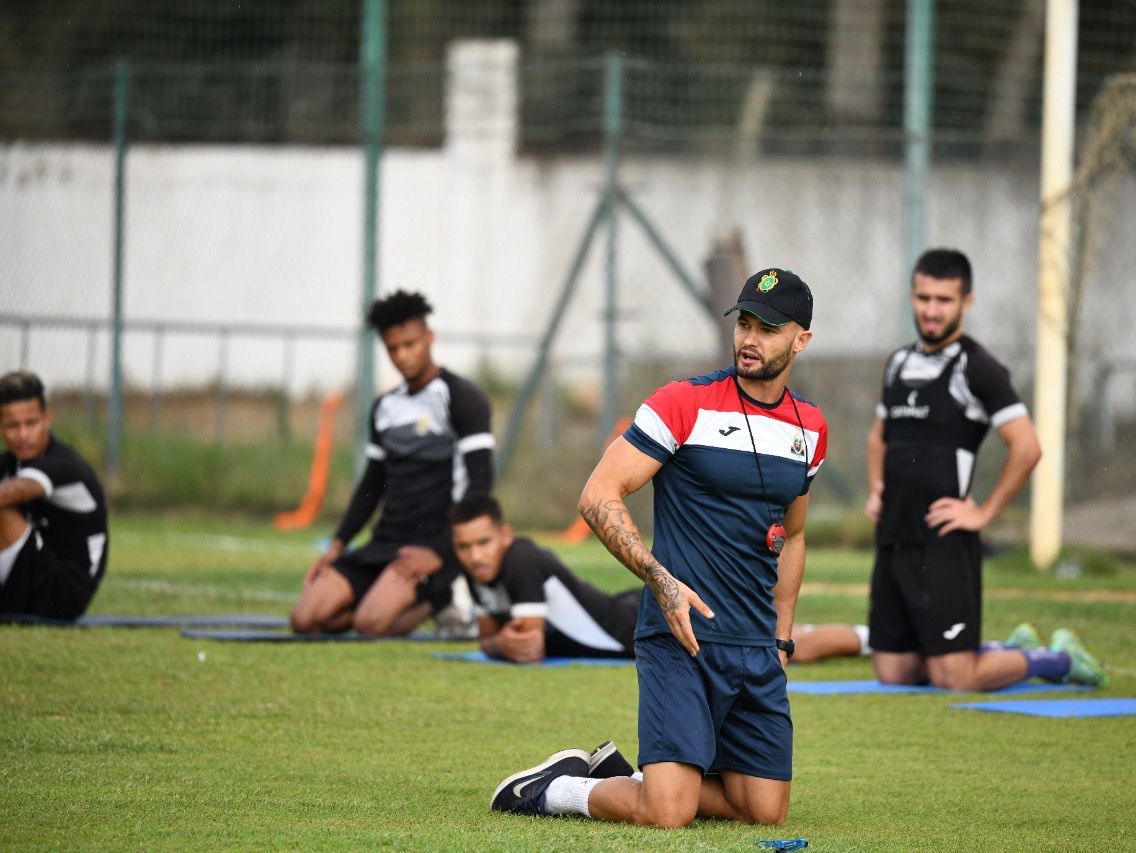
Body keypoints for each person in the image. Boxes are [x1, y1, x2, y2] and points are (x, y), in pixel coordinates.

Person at [490, 267, 828, 828]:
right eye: (744, 323)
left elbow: (791, 535)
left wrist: (782, 639)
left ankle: (631, 775)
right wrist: (660, 581)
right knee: (669, 813)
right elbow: (599, 495)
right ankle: (553, 789)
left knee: (764, 811)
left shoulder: (810, 428)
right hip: (680, 637)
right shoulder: (683, 403)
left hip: (753, 646)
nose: (749, 338)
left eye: (768, 328)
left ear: (801, 340)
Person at [866, 248, 1105, 691]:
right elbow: (877, 437)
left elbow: (1028, 447)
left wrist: (983, 513)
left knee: (953, 677)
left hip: (943, 542)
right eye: (923, 298)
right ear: (912, 297)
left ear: (966, 303)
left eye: (943, 300)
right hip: (895, 536)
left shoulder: (978, 367)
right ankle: (998, 649)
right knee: (894, 673)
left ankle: (1055, 658)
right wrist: (877, 487)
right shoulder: (898, 362)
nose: (931, 310)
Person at [290, 290, 493, 637]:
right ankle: (382, 598)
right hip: (384, 540)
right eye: (393, 348)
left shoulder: (462, 398)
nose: (402, 356)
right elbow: (371, 485)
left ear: (430, 338)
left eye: (410, 344)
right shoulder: (384, 407)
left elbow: (481, 483)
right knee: (305, 620)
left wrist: (445, 552)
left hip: (432, 542)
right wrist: (338, 544)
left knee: (372, 624)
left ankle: (443, 598)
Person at [449, 493, 641, 661]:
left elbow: (530, 652)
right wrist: (499, 644)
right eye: (463, 546)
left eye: (484, 542)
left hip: (640, 625)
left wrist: (497, 644)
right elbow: (487, 640)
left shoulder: (521, 559)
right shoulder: (477, 570)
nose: (475, 556)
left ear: (506, 534)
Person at [0, 371, 108, 620]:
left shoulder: (65, 465)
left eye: (31, 423)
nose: (23, 434)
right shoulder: (9, 464)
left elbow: (11, 493)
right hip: (32, 576)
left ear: (47, 419)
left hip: (64, 592)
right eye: (13, 426)